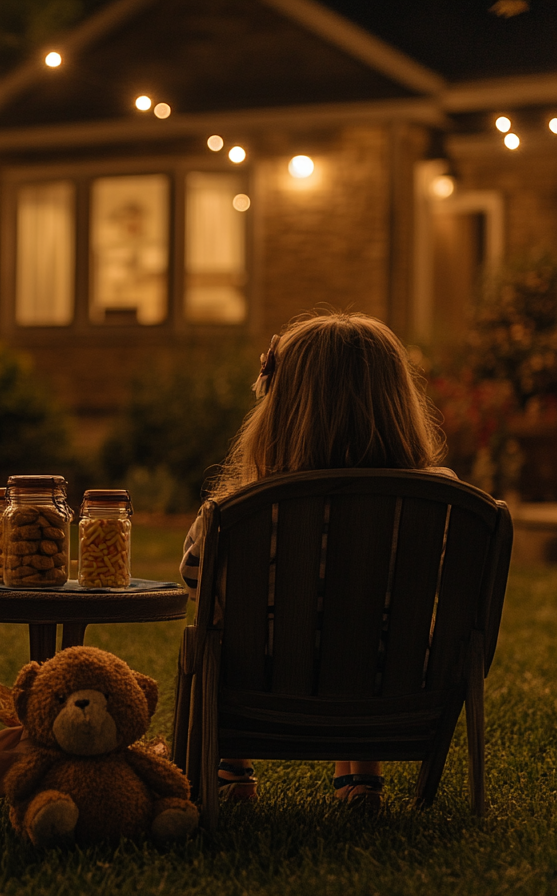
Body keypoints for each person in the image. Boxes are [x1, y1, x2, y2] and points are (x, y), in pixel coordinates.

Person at [179, 311, 450, 812]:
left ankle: (230, 767)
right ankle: (361, 780)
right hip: (390, 686)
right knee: (364, 627)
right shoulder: (438, 506)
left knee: (222, 625)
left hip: (262, 686)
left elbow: (194, 578)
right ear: (399, 401)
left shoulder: (240, 511)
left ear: (280, 406)